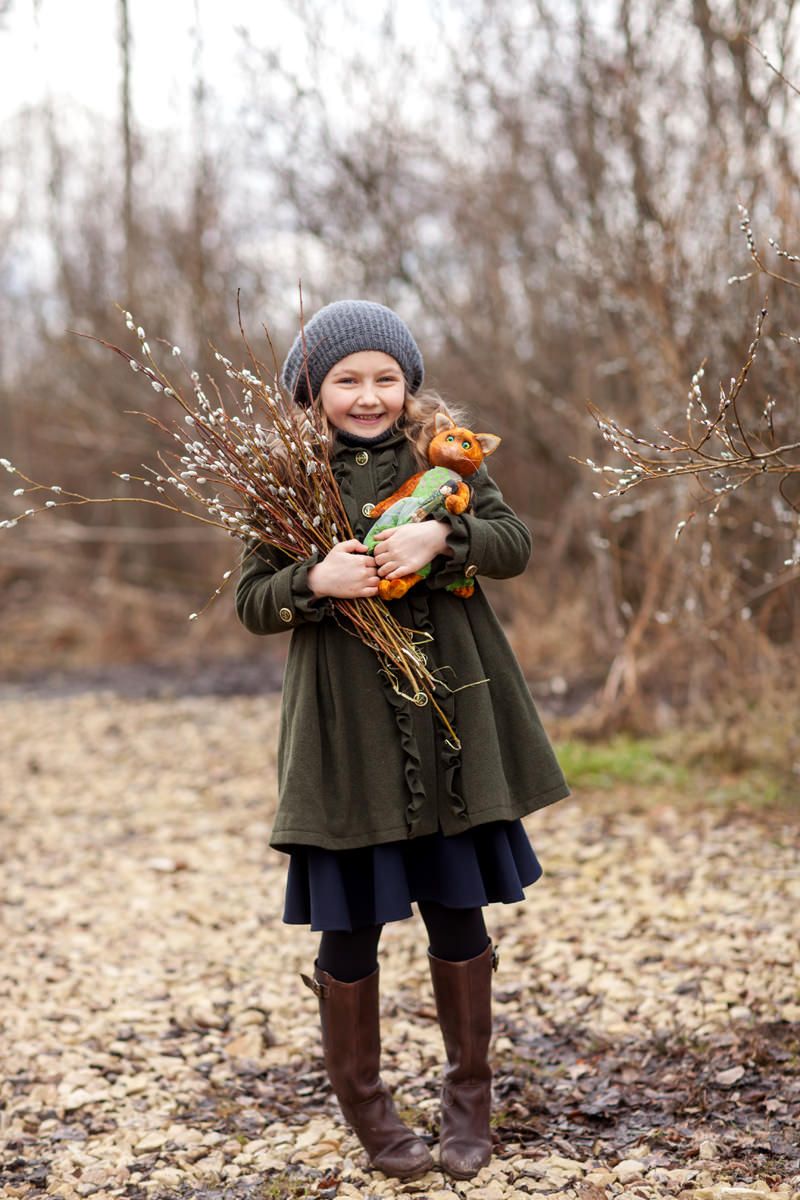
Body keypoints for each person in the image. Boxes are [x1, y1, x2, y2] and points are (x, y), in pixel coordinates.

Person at [235, 300, 569, 1181]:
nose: (369, 395)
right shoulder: (284, 476)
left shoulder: (444, 460)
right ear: (313, 391)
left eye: (387, 377)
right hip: (346, 736)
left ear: (409, 385)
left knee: (457, 911)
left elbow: (515, 544)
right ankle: (371, 1115)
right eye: (348, 379)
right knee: (349, 926)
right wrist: (314, 577)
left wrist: (441, 535)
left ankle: (469, 1104)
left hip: (450, 717)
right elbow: (251, 599)